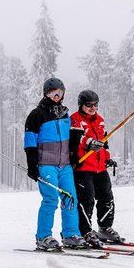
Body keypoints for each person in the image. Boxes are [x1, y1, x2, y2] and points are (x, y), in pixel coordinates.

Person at [24, 77, 86, 250]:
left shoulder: (64, 113)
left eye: (60, 92)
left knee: (70, 198)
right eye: (53, 93)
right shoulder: (36, 114)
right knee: (51, 200)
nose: (57, 96)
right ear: (46, 94)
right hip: (46, 165)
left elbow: (69, 141)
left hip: (65, 165)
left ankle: (70, 234)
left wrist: (73, 157)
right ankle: (43, 237)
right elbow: (30, 143)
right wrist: (33, 165)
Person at [69, 89, 122, 246]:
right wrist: (89, 142)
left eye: (95, 105)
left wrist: (107, 158)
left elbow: (104, 142)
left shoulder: (100, 120)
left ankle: (105, 228)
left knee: (107, 197)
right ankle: (85, 231)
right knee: (87, 199)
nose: (92, 108)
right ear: (81, 105)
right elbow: (76, 138)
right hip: (83, 167)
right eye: (89, 105)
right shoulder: (75, 119)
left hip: (99, 168)